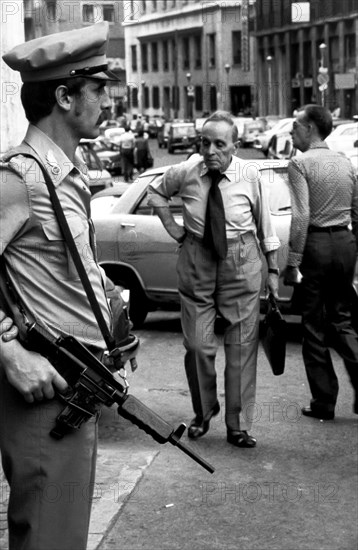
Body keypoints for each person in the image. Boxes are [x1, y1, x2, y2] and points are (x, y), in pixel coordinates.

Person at [0, 22, 120, 550]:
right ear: (65, 96)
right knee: (50, 538)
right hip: (43, 388)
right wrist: (6, 352)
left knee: (63, 536)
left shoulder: (64, 174)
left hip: (78, 381)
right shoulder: (17, 178)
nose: (107, 101)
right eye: (98, 89)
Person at [147, 111, 280, 448]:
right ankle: (204, 413)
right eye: (205, 142)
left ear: (235, 145)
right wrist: (175, 229)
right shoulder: (187, 170)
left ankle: (237, 425)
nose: (210, 150)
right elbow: (155, 192)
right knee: (197, 345)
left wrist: (274, 271)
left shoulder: (250, 174)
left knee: (241, 347)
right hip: (197, 259)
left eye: (219, 144)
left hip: (242, 260)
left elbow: (266, 228)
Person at [284, 104, 358, 420]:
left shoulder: (300, 164)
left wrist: (292, 262)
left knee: (313, 325)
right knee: (342, 320)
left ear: (311, 128)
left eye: (296, 126)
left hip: (314, 246)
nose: (291, 131)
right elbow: (357, 212)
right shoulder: (345, 163)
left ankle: (324, 402)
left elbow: (301, 216)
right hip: (344, 243)